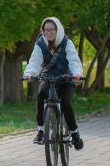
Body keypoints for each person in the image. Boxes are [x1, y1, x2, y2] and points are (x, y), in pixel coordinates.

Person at [23, 17, 84, 150]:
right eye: (46, 30)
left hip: (67, 78)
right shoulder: (40, 43)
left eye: (52, 30)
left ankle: (74, 133)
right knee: (41, 95)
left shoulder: (67, 43)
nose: (49, 33)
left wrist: (77, 74)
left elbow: (74, 60)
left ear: (58, 29)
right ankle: (41, 131)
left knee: (66, 104)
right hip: (49, 78)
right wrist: (29, 73)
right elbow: (35, 61)